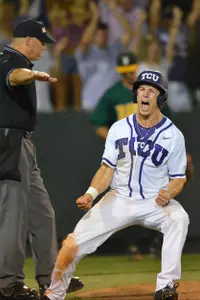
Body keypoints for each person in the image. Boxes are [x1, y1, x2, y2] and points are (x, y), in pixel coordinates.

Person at [44, 70, 189, 300]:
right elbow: (106, 169)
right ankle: (54, 294)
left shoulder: (173, 135)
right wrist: (91, 194)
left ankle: (166, 287)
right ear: (136, 94)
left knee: (179, 218)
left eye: (152, 91)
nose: (145, 94)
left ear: (161, 99)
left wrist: (168, 192)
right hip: (119, 198)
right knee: (71, 245)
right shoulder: (119, 128)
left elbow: (179, 177)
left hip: (154, 200)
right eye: (142, 89)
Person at [0, 18, 83, 300]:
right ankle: (8, 284)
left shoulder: (14, 59)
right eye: (42, 43)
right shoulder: (8, 59)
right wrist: (32, 76)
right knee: (14, 215)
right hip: (10, 142)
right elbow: (13, 76)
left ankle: (52, 278)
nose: (45, 48)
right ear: (28, 41)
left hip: (22, 142)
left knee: (42, 212)